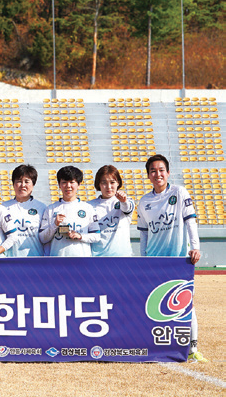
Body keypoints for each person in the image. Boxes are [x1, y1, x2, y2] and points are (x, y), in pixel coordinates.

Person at [138, 154, 206, 362]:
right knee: (153, 304)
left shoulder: (179, 192)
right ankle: (157, 345)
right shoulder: (144, 201)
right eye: (153, 171)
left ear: (168, 173)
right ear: (148, 175)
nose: (157, 174)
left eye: (161, 170)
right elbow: (144, 233)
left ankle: (193, 348)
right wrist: (143, 259)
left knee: (185, 303)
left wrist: (195, 247)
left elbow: (190, 221)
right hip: (154, 262)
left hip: (178, 260)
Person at [38, 166, 101, 257]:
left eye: (72, 182)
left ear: (79, 184)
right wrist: (54, 224)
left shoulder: (88, 208)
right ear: (59, 185)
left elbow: (96, 236)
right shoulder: (51, 209)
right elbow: (43, 238)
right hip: (57, 261)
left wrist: (80, 236)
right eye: (64, 182)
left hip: (82, 261)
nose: (68, 186)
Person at [2, 164, 48, 257]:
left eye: (27, 181)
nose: (23, 185)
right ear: (13, 184)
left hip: (34, 260)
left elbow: (46, 237)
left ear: (33, 184)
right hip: (9, 261)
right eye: (19, 181)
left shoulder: (42, 208)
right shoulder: (3, 207)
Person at [88, 165, 135, 256]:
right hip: (98, 258)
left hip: (122, 258)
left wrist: (123, 201)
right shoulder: (89, 206)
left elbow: (127, 208)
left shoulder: (127, 201)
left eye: (112, 182)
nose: (108, 187)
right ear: (98, 184)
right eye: (104, 182)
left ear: (118, 183)